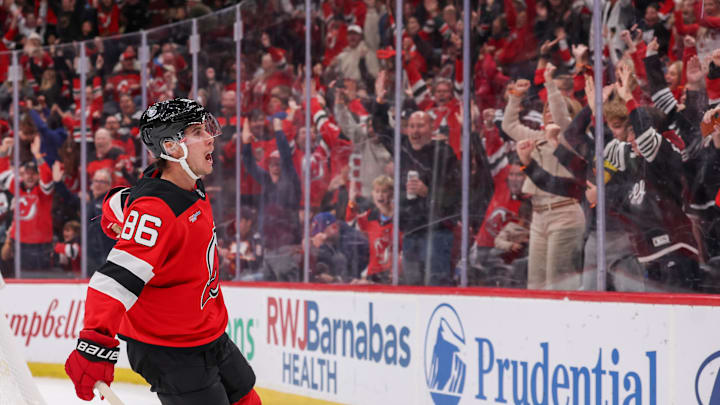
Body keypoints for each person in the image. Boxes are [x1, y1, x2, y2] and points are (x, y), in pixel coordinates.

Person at [64, 98, 261, 405]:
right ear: (171, 148)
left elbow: (121, 199)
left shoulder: (186, 184)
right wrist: (94, 343)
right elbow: (114, 281)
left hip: (207, 334)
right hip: (170, 349)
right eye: (196, 132)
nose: (210, 137)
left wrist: (113, 214)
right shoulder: (156, 211)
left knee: (247, 398)